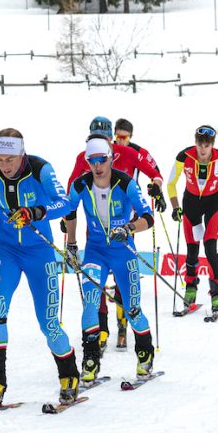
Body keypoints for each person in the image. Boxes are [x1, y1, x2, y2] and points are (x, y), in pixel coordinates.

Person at [0, 128, 80, 408]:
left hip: (39, 252)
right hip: (6, 250)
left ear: (22, 153)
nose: (5, 166)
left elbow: (65, 203)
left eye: (11, 159)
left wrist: (36, 212)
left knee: (49, 323)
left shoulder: (41, 168)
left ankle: (69, 376)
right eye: (0, 159)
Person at [65, 117, 165, 350]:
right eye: (93, 139)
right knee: (95, 283)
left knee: (123, 281)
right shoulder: (84, 157)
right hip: (95, 233)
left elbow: (155, 172)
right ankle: (101, 329)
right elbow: (72, 186)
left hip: (124, 227)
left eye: (104, 140)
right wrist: (66, 214)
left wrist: (156, 188)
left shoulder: (128, 153)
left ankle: (123, 324)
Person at [166, 125, 218, 312]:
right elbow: (171, 184)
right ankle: (191, 287)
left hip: (213, 204)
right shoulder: (184, 156)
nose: (203, 149)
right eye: (200, 144)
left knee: (210, 248)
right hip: (190, 204)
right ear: (195, 143)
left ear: (212, 145)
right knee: (192, 250)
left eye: (207, 145)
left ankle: (217, 294)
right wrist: (175, 207)